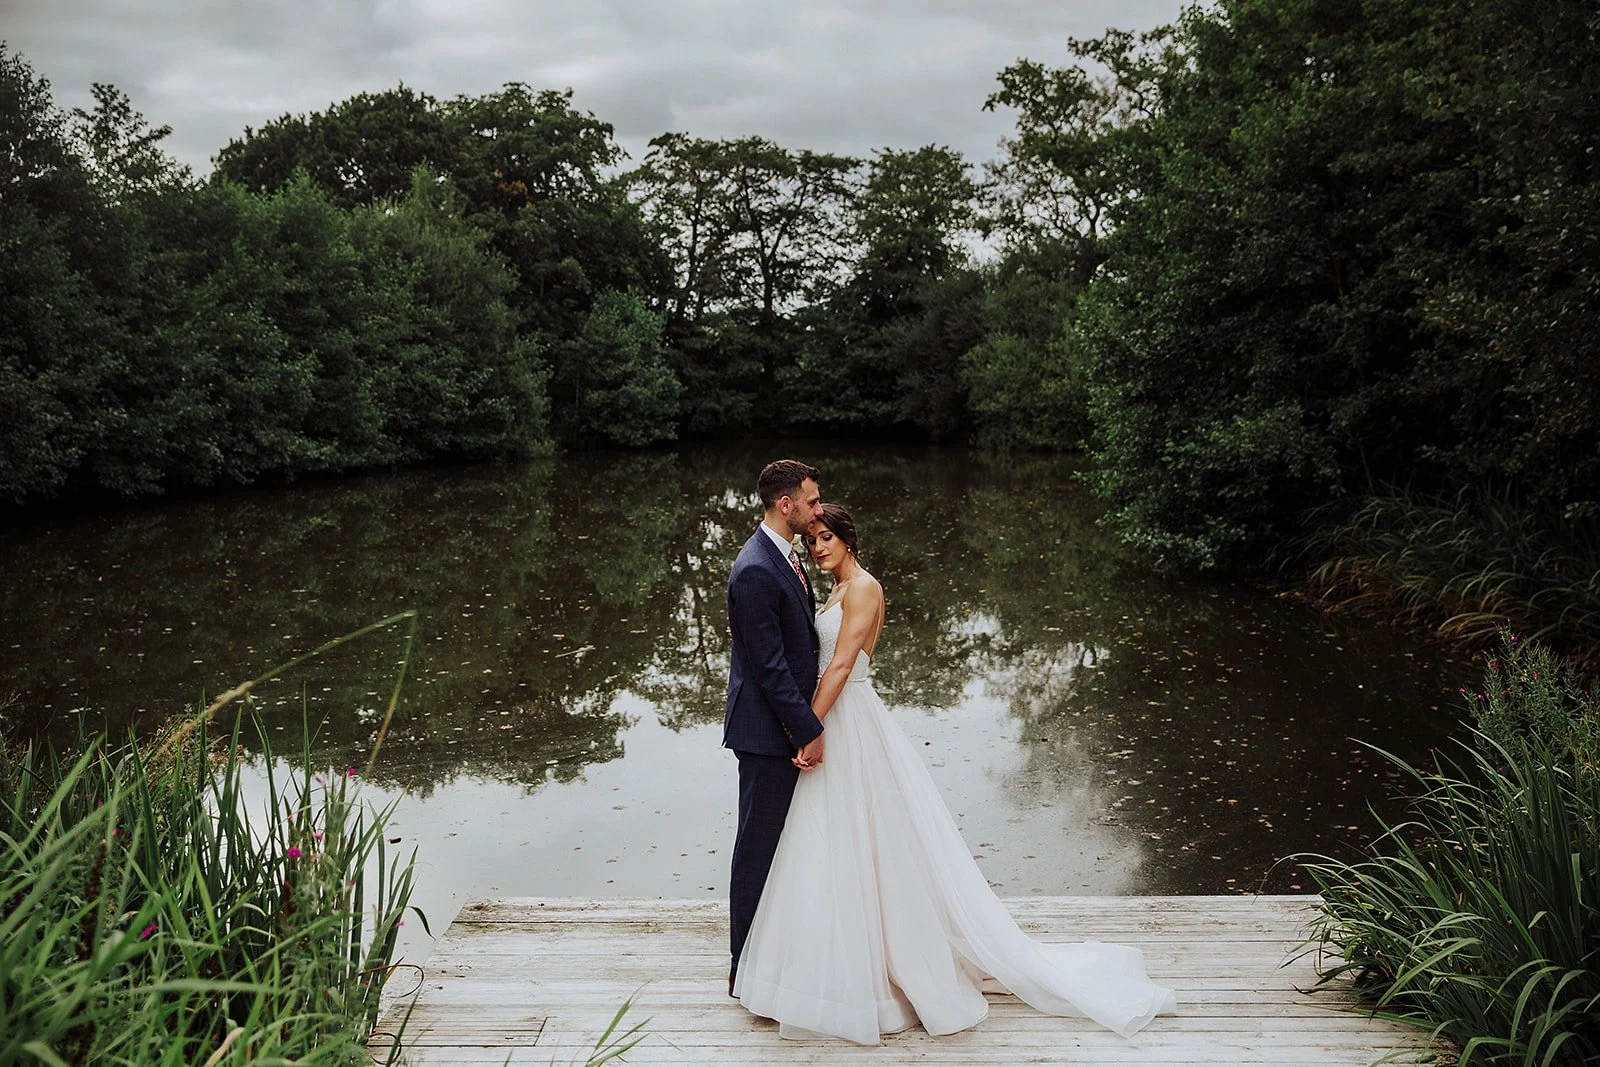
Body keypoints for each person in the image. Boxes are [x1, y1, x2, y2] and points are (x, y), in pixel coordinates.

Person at [732, 503, 1179, 1045]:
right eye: (813, 540)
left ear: (849, 540)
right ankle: (826, 968)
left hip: (848, 720)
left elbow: (844, 665)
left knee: (869, 841)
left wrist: (808, 727)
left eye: (827, 538)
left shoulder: (864, 587)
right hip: (838, 720)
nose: (818, 547)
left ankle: (886, 973)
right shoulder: (832, 588)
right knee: (832, 845)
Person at [723, 459, 826, 999]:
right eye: (811, 501)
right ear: (785, 504)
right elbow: (769, 667)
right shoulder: (757, 568)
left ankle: (776, 961)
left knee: (780, 849)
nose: (817, 509)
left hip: (775, 727)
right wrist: (808, 728)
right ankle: (744, 971)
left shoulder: (781, 556)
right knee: (757, 849)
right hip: (766, 735)